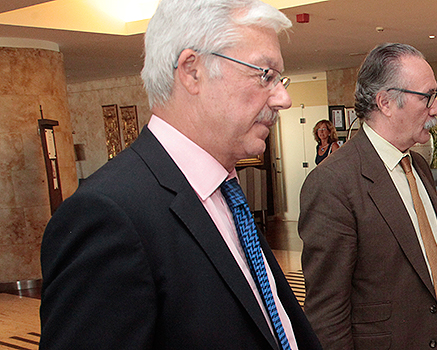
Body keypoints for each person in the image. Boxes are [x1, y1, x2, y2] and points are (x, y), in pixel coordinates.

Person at [39, 0, 322, 349]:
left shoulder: (224, 192)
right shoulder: (109, 216)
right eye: (265, 75)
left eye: (280, 79)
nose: (283, 98)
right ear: (192, 71)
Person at [299, 43, 437, 349]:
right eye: (427, 97)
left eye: (436, 96)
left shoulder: (417, 165)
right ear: (386, 102)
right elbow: (327, 313)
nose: (436, 109)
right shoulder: (333, 182)